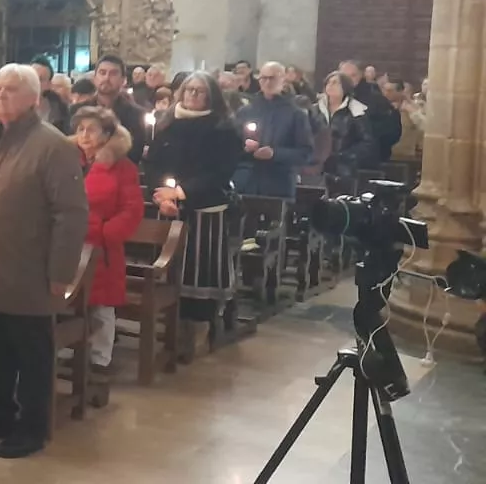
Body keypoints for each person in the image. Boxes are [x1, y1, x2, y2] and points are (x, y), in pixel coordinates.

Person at [0, 63, 87, 459]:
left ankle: (32, 427)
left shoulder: (53, 146)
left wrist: (60, 273)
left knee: (32, 356)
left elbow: (71, 215)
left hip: (29, 270)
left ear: (33, 99)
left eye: (10, 89)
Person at [144, 71, 244, 325]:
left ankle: (200, 325)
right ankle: (171, 322)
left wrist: (180, 192)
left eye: (200, 91)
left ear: (211, 97)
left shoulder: (223, 128)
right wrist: (161, 196)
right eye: (189, 90)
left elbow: (220, 172)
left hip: (205, 207)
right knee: (170, 269)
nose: (193, 95)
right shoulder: (168, 123)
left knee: (200, 270)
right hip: (168, 207)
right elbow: (153, 163)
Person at [70, 107, 141, 372]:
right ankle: (71, 349)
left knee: (100, 305)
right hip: (67, 241)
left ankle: (100, 358)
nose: (84, 135)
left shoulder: (122, 167)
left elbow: (132, 209)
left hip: (101, 247)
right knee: (68, 300)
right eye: (80, 129)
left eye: (92, 129)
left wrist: (106, 233)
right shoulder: (67, 159)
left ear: (107, 134)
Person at [234, 62, 314, 198]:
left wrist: (275, 153)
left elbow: (305, 153)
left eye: (272, 78)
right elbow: (233, 144)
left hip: (279, 184)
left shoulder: (296, 114)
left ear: (283, 80)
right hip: (247, 182)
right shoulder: (245, 112)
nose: (267, 82)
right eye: (263, 78)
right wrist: (245, 148)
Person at [73, 55, 147, 164]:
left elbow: (135, 153)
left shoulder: (135, 114)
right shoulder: (76, 111)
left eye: (113, 74)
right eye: (102, 73)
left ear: (123, 80)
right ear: (95, 78)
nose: (106, 78)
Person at [318, 72, 377, 192]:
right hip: (317, 168)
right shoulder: (315, 109)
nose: (331, 85)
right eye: (328, 82)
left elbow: (367, 143)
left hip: (344, 169)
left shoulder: (357, 111)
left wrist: (344, 156)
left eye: (335, 83)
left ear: (345, 87)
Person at [386, 78, 422, 163]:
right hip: (385, 154)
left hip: (405, 156)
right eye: (385, 90)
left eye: (390, 91)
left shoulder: (411, 109)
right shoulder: (382, 108)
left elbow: (422, 129)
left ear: (400, 92)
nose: (386, 93)